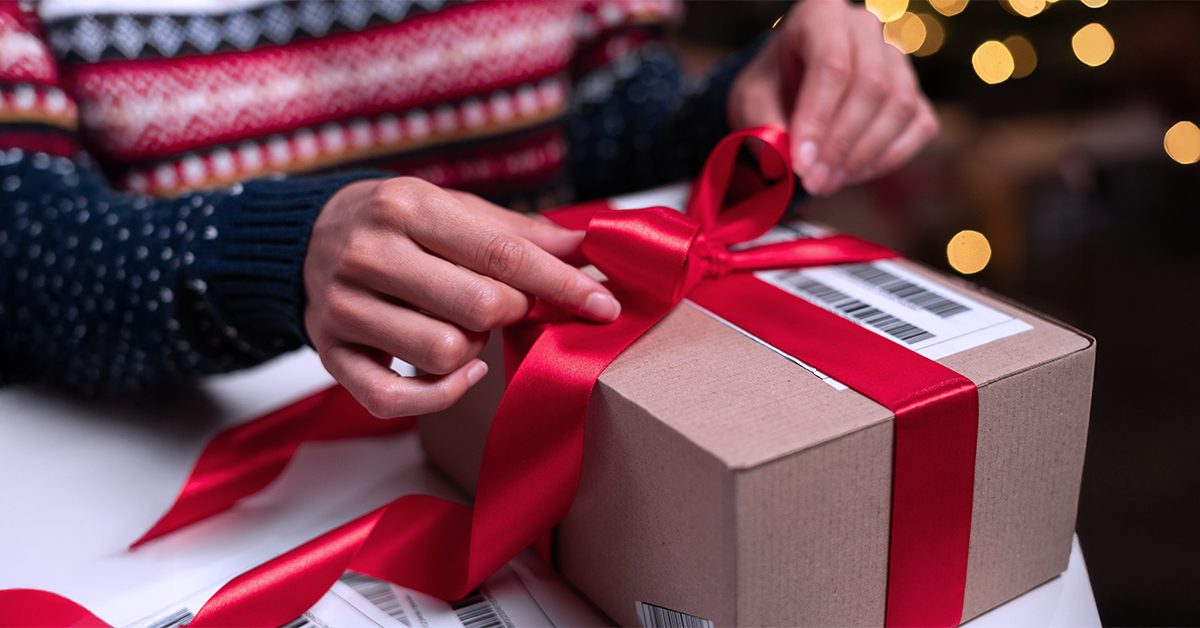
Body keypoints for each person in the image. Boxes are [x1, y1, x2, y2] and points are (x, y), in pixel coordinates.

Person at [0, 0, 937, 416]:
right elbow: (26, 254)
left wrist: (747, 117)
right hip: (171, 455)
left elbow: (607, 133)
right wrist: (281, 255)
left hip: (508, 427)